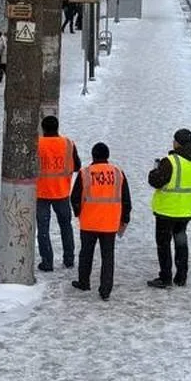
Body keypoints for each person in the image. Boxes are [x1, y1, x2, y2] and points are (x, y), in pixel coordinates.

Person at [70, 142, 132, 301]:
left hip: (89, 222)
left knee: (86, 253)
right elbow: (126, 200)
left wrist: (78, 212)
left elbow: (75, 197)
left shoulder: (85, 173)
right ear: (107, 156)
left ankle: (84, 282)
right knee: (108, 256)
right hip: (110, 223)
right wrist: (124, 218)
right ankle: (105, 289)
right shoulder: (118, 173)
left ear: (93, 155)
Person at [146, 128, 191, 289]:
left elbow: (156, 181)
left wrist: (154, 172)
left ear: (177, 143)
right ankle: (181, 275)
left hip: (166, 210)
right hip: (185, 210)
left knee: (164, 244)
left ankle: (165, 277)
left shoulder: (170, 161)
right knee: (181, 242)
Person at [36, 115, 81, 273]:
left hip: (41, 193)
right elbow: (77, 166)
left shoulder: (37, 144)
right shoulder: (68, 144)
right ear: (57, 127)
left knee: (43, 229)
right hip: (62, 192)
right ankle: (69, 258)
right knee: (65, 226)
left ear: (43, 128)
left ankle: (47, 262)